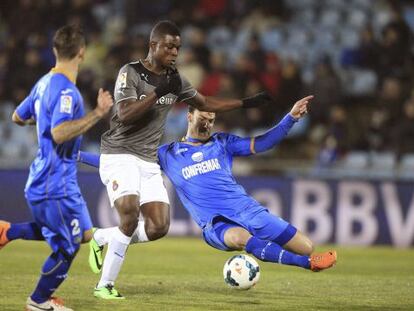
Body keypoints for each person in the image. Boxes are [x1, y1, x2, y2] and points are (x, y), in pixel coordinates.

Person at [91, 20, 274, 299]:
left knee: (158, 227)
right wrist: (158, 92)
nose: (174, 52)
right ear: (153, 45)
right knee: (129, 215)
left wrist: (245, 102)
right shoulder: (131, 72)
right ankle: (104, 285)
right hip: (120, 153)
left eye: (178, 47)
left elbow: (205, 103)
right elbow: (124, 114)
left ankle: (103, 237)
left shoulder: (174, 79)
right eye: (169, 46)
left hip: (147, 159)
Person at [79, 95, 337, 283]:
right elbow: (117, 160)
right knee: (240, 239)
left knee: (306, 245)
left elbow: (264, 143)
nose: (207, 124)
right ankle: (308, 265)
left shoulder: (223, 143)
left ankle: (102, 238)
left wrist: (290, 118)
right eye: (203, 118)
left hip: (248, 210)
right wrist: (77, 155)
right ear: (189, 116)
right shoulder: (168, 154)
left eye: (212, 120)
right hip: (216, 224)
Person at [0, 25, 113, 311]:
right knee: (68, 245)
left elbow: (16, 116)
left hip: (57, 178)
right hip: (53, 181)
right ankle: (39, 301)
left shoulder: (43, 83)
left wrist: (42, 117)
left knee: (85, 234)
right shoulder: (66, 91)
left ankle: (8, 232)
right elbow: (60, 133)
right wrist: (98, 114)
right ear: (82, 53)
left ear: (54, 51)